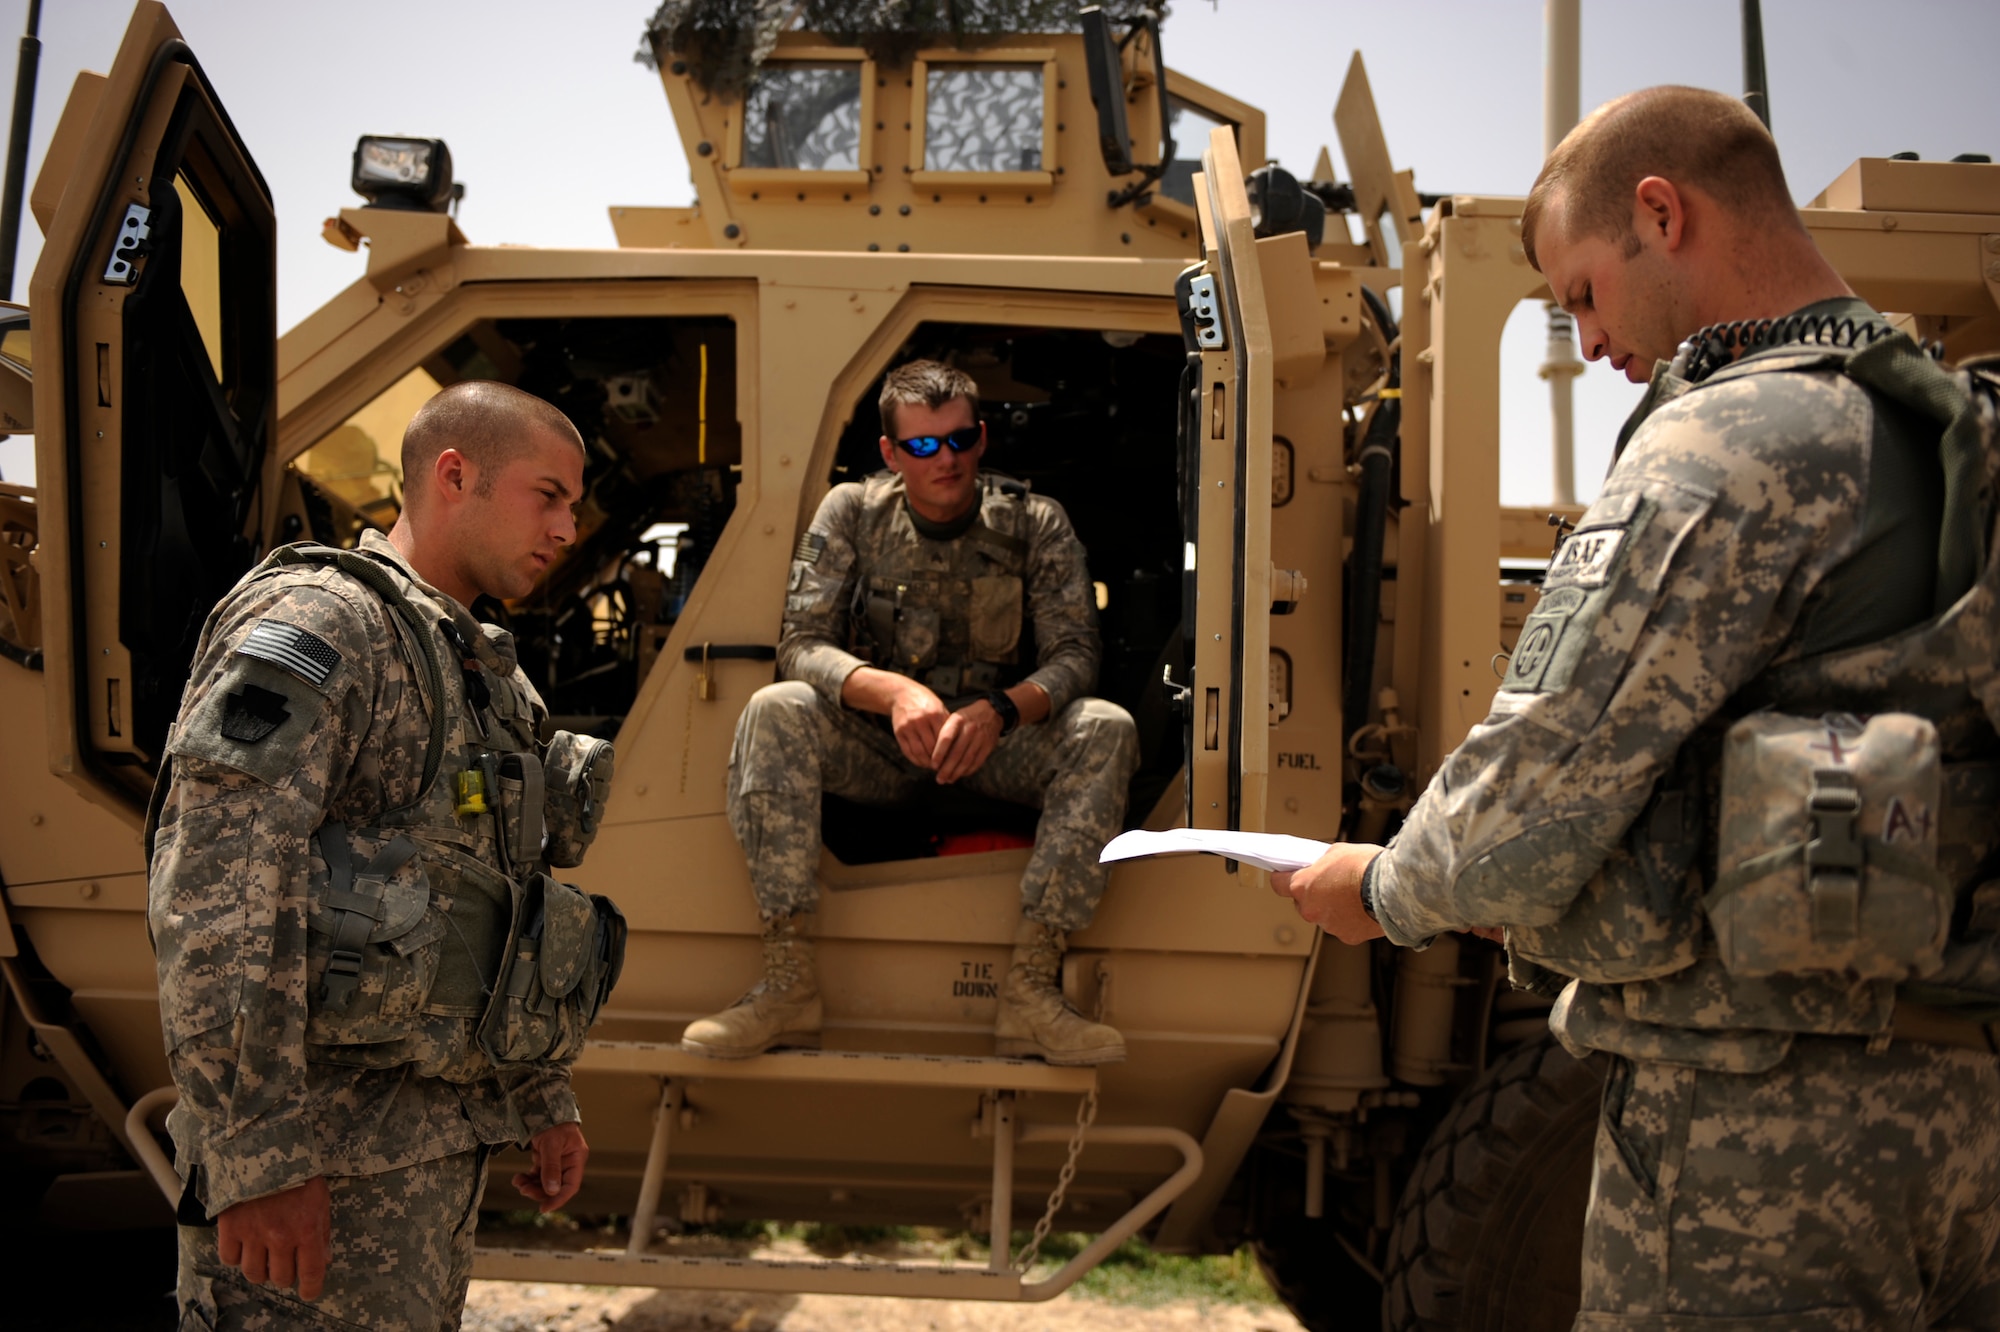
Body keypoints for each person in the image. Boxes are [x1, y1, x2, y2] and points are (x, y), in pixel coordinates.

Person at [1273, 86, 2000, 1325]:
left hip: (1758, 1124)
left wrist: (1384, 888)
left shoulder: (1725, 445)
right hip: (1965, 1117)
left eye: (1583, 295)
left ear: (1660, 213)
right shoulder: (1959, 433)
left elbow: (1535, 791)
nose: (1587, 340)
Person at [150, 382, 622, 1328]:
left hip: (422, 1165)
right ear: (456, 475)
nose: (569, 527)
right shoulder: (325, 625)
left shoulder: (482, 669)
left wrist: (538, 1090)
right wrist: (260, 1157)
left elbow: (498, 902)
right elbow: (220, 888)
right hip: (315, 1168)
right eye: (549, 495)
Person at [682, 359, 1139, 1066]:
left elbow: (1076, 656)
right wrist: (891, 693)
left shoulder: (1033, 523)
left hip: (995, 750)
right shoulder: (854, 514)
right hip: (879, 747)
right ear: (892, 453)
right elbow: (801, 645)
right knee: (777, 709)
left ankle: (1031, 988)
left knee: (1106, 727)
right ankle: (787, 982)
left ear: (982, 438)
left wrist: (999, 712)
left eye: (959, 440)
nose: (946, 459)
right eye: (924, 446)